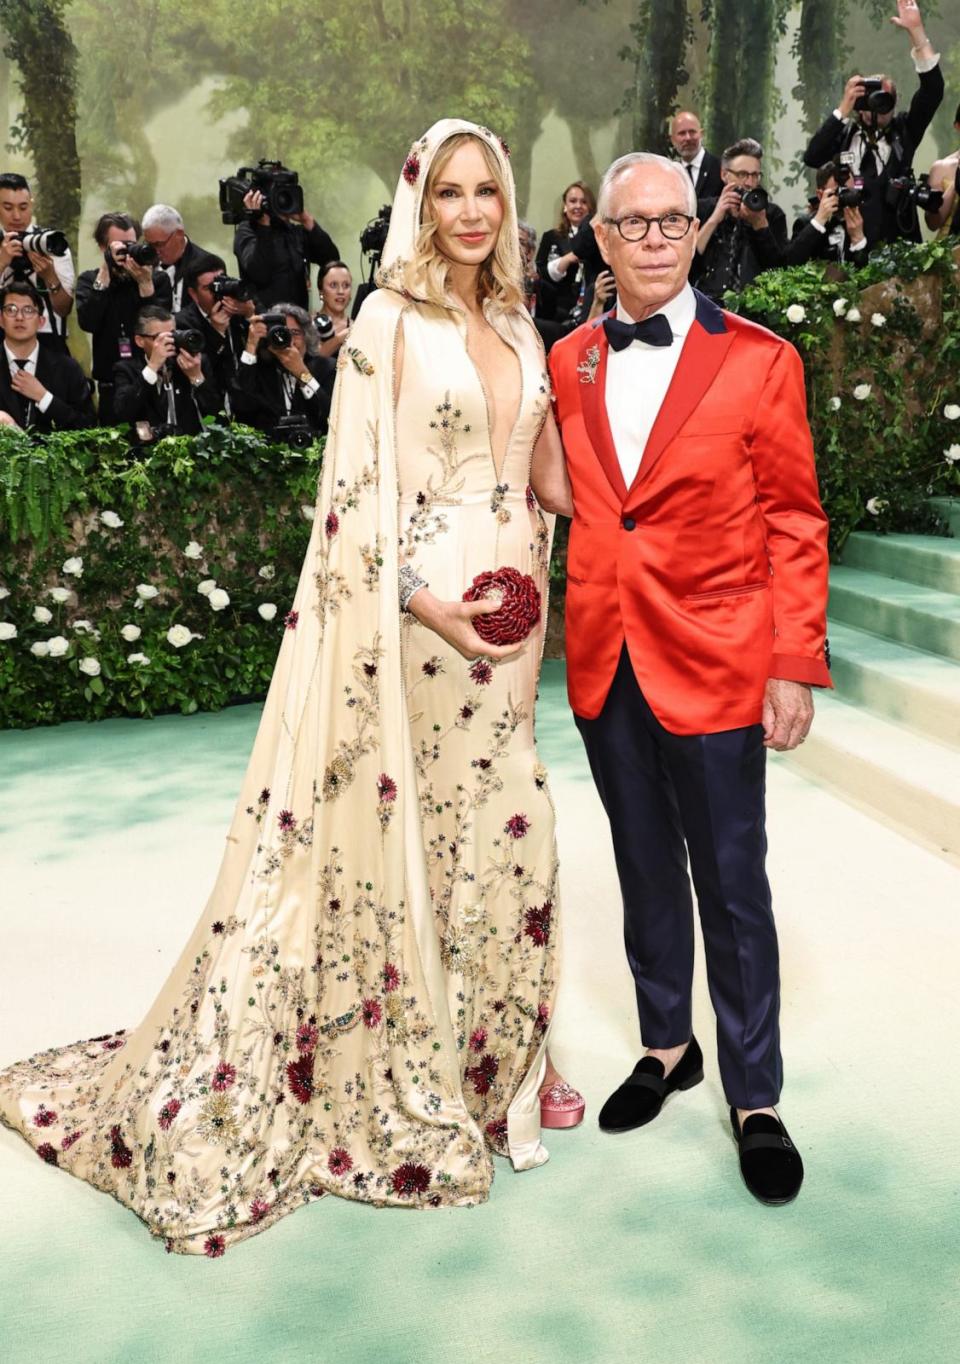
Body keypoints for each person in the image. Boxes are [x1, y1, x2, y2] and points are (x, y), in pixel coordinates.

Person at [0, 119, 581, 1255]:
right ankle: (411, 1062)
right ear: (420, 200)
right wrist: (431, 604)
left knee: (508, 838)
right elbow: (355, 502)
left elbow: (544, 478)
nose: (472, 212)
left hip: (516, 615)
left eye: (490, 192)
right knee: (423, 832)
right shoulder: (384, 325)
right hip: (421, 616)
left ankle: (491, 1067)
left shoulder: (518, 317)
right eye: (451, 191)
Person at [549, 151, 831, 1206]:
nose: (659, 237)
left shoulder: (761, 359)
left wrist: (793, 662)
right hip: (604, 652)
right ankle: (667, 1044)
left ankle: (756, 1094)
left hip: (719, 656)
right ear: (605, 239)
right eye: (636, 223)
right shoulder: (569, 356)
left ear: (694, 233)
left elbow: (796, 519)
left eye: (675, 220)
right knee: (641, 864)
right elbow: (557, 492)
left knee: (732, 880)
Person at [802, 0, 943, 247]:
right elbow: (813, 157)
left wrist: (917, 33)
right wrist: (843, 109)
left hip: (899, 247)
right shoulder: (844, 135)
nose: (875, 108)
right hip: (851, 246)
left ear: (895, 102)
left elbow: (933, 92)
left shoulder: (904, 131)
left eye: (884, 100)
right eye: (869, 99)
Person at [76, 212, 173, 424]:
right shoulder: (90, 281)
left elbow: (161, 325)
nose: (127, 252)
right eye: (120, 246)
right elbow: (88, 322)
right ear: (104, 248)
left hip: (152, 379)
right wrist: (105, 274)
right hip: (111, 384)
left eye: (131, 244)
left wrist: (145, 286)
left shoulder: (157, 279)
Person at [693, 138, 787, 300]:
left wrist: (760, 226)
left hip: (754, 305)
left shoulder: (772, 214)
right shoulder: (703, 209)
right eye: (742, 174)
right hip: (706, 302)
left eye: (755, 175)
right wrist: (715, 218)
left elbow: (778, 272)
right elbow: (688, 264)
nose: (749, 183)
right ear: (724, 174)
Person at [112, 303, 222, 442]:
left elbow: (216, 416)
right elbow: (123, 412)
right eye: (159, 338)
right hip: (147, 454)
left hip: (192, 450)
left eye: (172, 335)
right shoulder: (126, 370)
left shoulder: (194, 363)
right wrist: (152, 368)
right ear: (140, 341)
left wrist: (196, 378)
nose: (169, 342)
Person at [229, 303, 335, 438]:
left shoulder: (326, 367)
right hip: (268, 453)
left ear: (306, 336)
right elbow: (240, 409)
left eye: (295, 333)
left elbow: (330, 418)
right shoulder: (258, 370)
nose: (289, 340)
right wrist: (251, 345)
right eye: (282, 332)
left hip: (314, 450)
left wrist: (302, 373)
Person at [0, 280, 93, 431]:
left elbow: (88, 426)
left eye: (28, 310)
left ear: (41, 322)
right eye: (11, 310)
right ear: (1, 320)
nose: (19, 317)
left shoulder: (67, 368)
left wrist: (45, 398)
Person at [0, 172, 74, 349]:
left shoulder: (52, 243)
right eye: (8, 208)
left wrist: (49, 277)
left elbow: (64, 309)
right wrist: (2, 262)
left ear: (32, 205)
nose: (17, 216)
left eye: (23, 207)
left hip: (48, 339)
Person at [233, 189, 339, 310]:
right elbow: (259, 274)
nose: (282, 201)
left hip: (299, 320)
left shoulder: (295, 232)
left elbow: (331, 261)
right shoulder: (248, 230)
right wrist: (263, 224)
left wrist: (307, 220)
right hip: (265, 321)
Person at [176, 255, 254, 398]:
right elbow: (201, 370)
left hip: (249, 396)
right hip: (212, 399)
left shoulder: (243, 305)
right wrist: (216, 333)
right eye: (208, 288)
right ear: (193, 294)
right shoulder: (183, 324)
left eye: (220, 284)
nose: (217, 292)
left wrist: (250, 316)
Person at [784, 162, 869, 267]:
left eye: (849, 192)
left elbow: (870, 274)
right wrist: (818, 222)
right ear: (820, 195)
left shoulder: (864, 221)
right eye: (838, 192)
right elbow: (790, 263)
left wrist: (858, 241)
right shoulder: (806, 224)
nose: (844, 198)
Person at [535, 181, 595, 323]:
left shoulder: (600, 239)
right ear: (565, 206)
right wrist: (567, 259)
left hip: (589, 311)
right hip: (554, 312)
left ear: (591, 207)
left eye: (584, 202)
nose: (578, 206)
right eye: (573, 201)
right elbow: (541, 273)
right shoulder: (550, 237)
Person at [141, 205, 218, 313]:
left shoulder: (208, 265)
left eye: (159, 244)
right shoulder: (144, 261)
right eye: (150, 245)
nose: (155, 251)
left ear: (179, 234)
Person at [669, 111, 722, 205]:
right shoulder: (671, 173)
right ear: (673, 140)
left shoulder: (720, 168)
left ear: (701, 134)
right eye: (682, 133)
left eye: (692, 132)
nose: (688, 138)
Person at [924, 102, 960, 237]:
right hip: (949, 251)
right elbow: (933, 223)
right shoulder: (941, 167)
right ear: (957, 126)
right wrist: (956, 181)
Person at [314, 260, 353, 359]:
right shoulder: (307, 325)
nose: (341, 291)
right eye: (333, 285)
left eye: (346, 286)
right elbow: (313, 360)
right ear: (321, 290)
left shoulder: (356, 328)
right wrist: (339, 339)